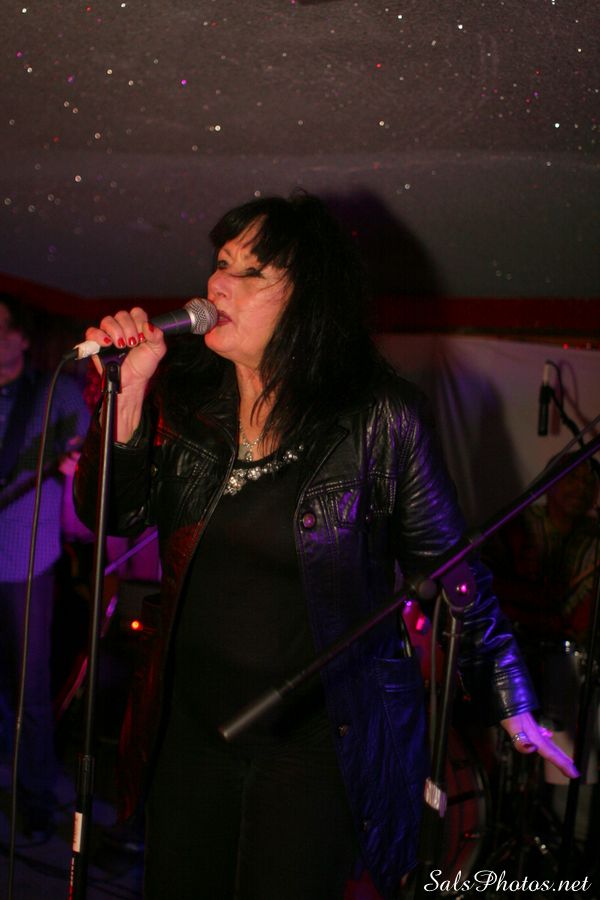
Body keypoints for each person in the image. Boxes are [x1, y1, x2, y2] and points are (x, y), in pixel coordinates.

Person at [73, 193, 577, 900]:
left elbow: (452, 570)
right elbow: (111, 513)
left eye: (251, 272)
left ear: (307, 301)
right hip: (187, 730)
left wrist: (510, 696)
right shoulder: (182, 398)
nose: (218, 283)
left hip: (314, 745)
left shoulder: (379, 419)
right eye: (221, 262)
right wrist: (125, 395)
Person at [0, 295, 90, 838]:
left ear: (23, 337)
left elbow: (86, 452)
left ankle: (34, 799)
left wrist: (76, 462)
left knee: (29, 690)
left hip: (26, 559)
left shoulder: (58, 392)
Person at [488, 455, 599, 840]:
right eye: (572, 478)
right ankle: (501, 831)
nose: (580, 487)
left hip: (569, 673)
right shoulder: (517, 530)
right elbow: (490, 592)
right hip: (514, 662)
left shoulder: (594, 539)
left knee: (574, 765)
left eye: (589, 481)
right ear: (550, 483)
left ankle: (570, 841)